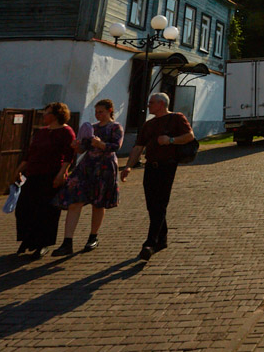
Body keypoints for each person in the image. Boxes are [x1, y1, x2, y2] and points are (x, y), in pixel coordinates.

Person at [120, 92, 193, 261]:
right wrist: (128, 167)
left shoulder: (176, 118)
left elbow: (190, 136)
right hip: (150, 167)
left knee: (160, 203)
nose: (148, 106)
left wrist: (171, 140)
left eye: (151, 103)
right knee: (152, 204)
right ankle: (162, 239)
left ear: (161, 104)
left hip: (167, 165)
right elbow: (138, 147)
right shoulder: (148, 125)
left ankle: (150, 242)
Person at [50, 98, 123, 256]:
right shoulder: (91, 128)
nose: (98, 115)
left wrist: (101, 144)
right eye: (96, 112)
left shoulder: (115, 127)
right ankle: (67, 242)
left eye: (101, 112)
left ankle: (93, 236)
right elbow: (82, 149)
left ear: (110, 111)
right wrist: (77, 147)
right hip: (87, 167)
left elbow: (116, 146)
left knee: (98, 203)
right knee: (75, 201)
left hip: (105, 168)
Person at [14, 102, 76, 259]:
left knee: (46, 211)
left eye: (46, 112)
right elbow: (30, 153)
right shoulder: (41, 132)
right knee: (24, 207)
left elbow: (69, 155)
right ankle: (29, 239)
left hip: (51, 175)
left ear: (55, 115)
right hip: (34, 174)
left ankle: (43, 244)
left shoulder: (66, 131)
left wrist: (62, 173)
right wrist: (19, 170)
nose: (43, 115)